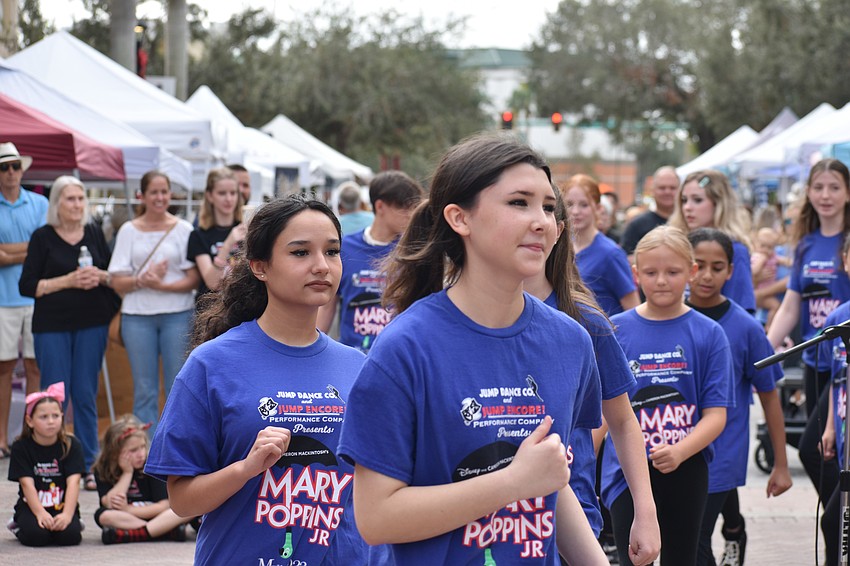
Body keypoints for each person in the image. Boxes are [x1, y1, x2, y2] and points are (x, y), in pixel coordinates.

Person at [338, 133, 607, 565]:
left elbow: (551, 481)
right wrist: (511, 482)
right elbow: (375, 517)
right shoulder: (405, 348)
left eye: (548, 207)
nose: (541, 221)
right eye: (519, 202)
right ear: (459, 218)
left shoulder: (570, 341)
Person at [145, 195, 367, 565]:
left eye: (332, 251)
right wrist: (245, 469)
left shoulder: (358, 367)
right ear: (260, 267)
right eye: (300, 253)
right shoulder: (211, 364)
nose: (321, 266)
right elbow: (182, 500)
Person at [524, 189, 660, 565]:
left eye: (547, 212)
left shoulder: (585, 321)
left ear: (559, 231)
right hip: (491, 524)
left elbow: (622, 419)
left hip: (574, 512)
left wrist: (644, 512)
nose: (533, 223)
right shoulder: (466, 320)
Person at [601, 225, 731, 566]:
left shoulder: (710, 334)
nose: (661, 281)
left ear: (691, 271)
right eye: (651, 272)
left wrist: (681, 451)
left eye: (672, 272)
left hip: (686, 468)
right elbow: (603, 413)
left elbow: (716, 415)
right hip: (625, 473)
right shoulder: (615, 329)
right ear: (635, 273)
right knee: (635, 559)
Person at [685, 228, 791, 566]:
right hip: (676, 449)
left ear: (731, 271)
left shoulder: (745, 327)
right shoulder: (666, 317)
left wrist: (781, 464)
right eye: (698, 264)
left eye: (717, 267)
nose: (706, 275)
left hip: (724, 450)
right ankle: (735, 528)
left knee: (695, 537)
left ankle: (732, 529)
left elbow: (770, 397)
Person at [18, 175, 118, 490]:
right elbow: (28, 286)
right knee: (54, 395)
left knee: (85, 393)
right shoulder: (42, 237)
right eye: (69, 198)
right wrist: (68, 280)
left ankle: (89, 463)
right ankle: (53, 461)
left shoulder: (93, 233)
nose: (76, 205)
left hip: (91, 323)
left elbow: (112, 275)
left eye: (80, 199)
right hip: (52, 326)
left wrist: (98, 277)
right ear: (57, 203)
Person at [766, 158, 850, 507]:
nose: (825, 195)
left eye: (834, 187)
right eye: (818, 187)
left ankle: (837, 518)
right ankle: (838, 523)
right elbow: (789, 306)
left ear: (847, 193)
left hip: (843, 365)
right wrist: (765, 352)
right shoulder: (804, 245)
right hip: (815, 359)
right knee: (822, 451)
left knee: (811, 449)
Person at [107, 171, 199, 436]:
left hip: (177, 314)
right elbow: (116, 280)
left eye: (164, 192)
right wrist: (141, 280)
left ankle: (176, 443)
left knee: (177, 384)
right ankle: (144, 451)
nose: (160, 197)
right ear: (142, 196)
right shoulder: (128, 230)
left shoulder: (183, 229)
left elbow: (193, 279)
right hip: (137, 317)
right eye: (154, 192)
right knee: (144, 388)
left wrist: (161, 285)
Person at [317, 170, 424, 352]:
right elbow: (327, 307)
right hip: (353, 358)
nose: (411, 214)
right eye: (404, 207)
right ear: (380, 206)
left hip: (398, 358)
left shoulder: (415, 251)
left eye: (414, 207)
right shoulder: (345, 248)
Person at [0, 142, 47, 459]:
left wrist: (10, 252)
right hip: (4, 300)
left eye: (15, 166)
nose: (11, 172)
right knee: (3, 368)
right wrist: (25, 250)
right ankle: (2, 437)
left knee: (34, 366)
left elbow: (41, 249)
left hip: (34, 296)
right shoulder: (40, 204)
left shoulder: (40, 202)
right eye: (4, 167)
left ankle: (27, 437)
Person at [92, 415, 191, 544]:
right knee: (104, 516)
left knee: (188, 510)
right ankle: (162, 531)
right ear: (115, 452)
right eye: (133, 450)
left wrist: (129, 509)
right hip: (127, 519)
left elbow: (164, 505)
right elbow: (109, 504)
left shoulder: (151, 464)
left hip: (155, 515)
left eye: (143, 447)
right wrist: (127, 473)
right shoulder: (102, 468)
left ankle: (140, 533)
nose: (141, 454)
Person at [7, 382, 84, 546]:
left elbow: (74, 482)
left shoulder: (71, 444)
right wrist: (40, 513)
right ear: (30, 420)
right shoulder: (21, 447)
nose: (51, 421)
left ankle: (74, 522)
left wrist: (68, 515)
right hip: (31, 506)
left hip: (61, 505)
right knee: (37, 537)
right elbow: (27, 484)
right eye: (43, 417)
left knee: (69, 537)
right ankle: (18, 525)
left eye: (56, 416)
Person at [669, 170, 757, 313]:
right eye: (684, 200)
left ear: (718, 203)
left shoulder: (735, 250)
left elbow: (740, 313)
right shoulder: (676, 245)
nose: (687, 207)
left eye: (697, 200)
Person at [563, 173, 640, 316]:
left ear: (597, 208)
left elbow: (632, 308)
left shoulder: (611, 254)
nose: (575, 211)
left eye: (584, 205)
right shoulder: (559, 247)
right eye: (569, 204)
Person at [819, 248, 850, 566]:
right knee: (835, 522)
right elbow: (836, 379)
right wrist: (829, 426)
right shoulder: (839, 317)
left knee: (833, 522)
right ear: (844, 259)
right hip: (843, 433)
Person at [187, 167, 246, 301]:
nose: (228, 199)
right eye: (222, 193)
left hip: (242, 307)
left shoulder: (245, 231)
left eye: (233, 193)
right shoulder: (198, 235)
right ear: (209, 196)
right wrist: (228, 244)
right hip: (210, 311)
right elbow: (213, 283)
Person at [620, 166, 679, 260]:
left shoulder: (689, 222)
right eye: (662, 188)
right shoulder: (636, 225)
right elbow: (624, 258)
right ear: (653, 190)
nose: (667, 192)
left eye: (672, 188)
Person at [751, 226, 788, 328]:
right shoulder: (758, 257)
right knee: (775, 306)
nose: (766, 250)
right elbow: (753, 271)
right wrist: (761, 263)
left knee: (775, 306)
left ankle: (769, 326)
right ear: (756, 245)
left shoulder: (773, 256)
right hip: (760, 290)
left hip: (765, 292)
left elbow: (784, 261)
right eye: (763, 246)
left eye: (770, 247)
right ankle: (768, 327)